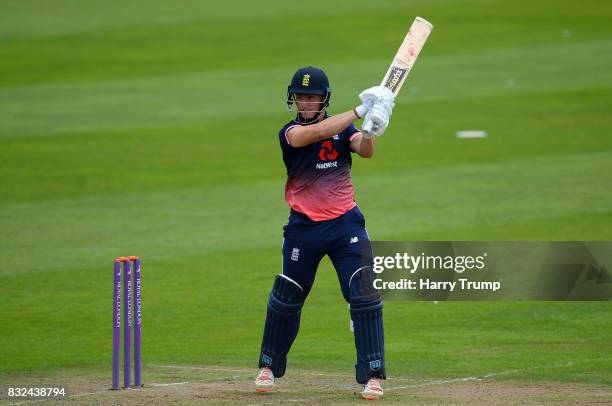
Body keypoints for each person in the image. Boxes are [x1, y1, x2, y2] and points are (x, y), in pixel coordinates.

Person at [254, 66, 394, 400]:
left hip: (345, 225)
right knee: (287, 298)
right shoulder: (289, 133)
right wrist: (361, 111)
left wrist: (372, 130)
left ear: (323, 99)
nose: (306, 102)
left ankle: (373, 375)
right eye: (301, 97)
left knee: (364, 294)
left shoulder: (343, 129)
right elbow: (311, 135)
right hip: (304, 229)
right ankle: (268, 367)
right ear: (294, 99)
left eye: (312, 97)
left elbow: (364, 149)